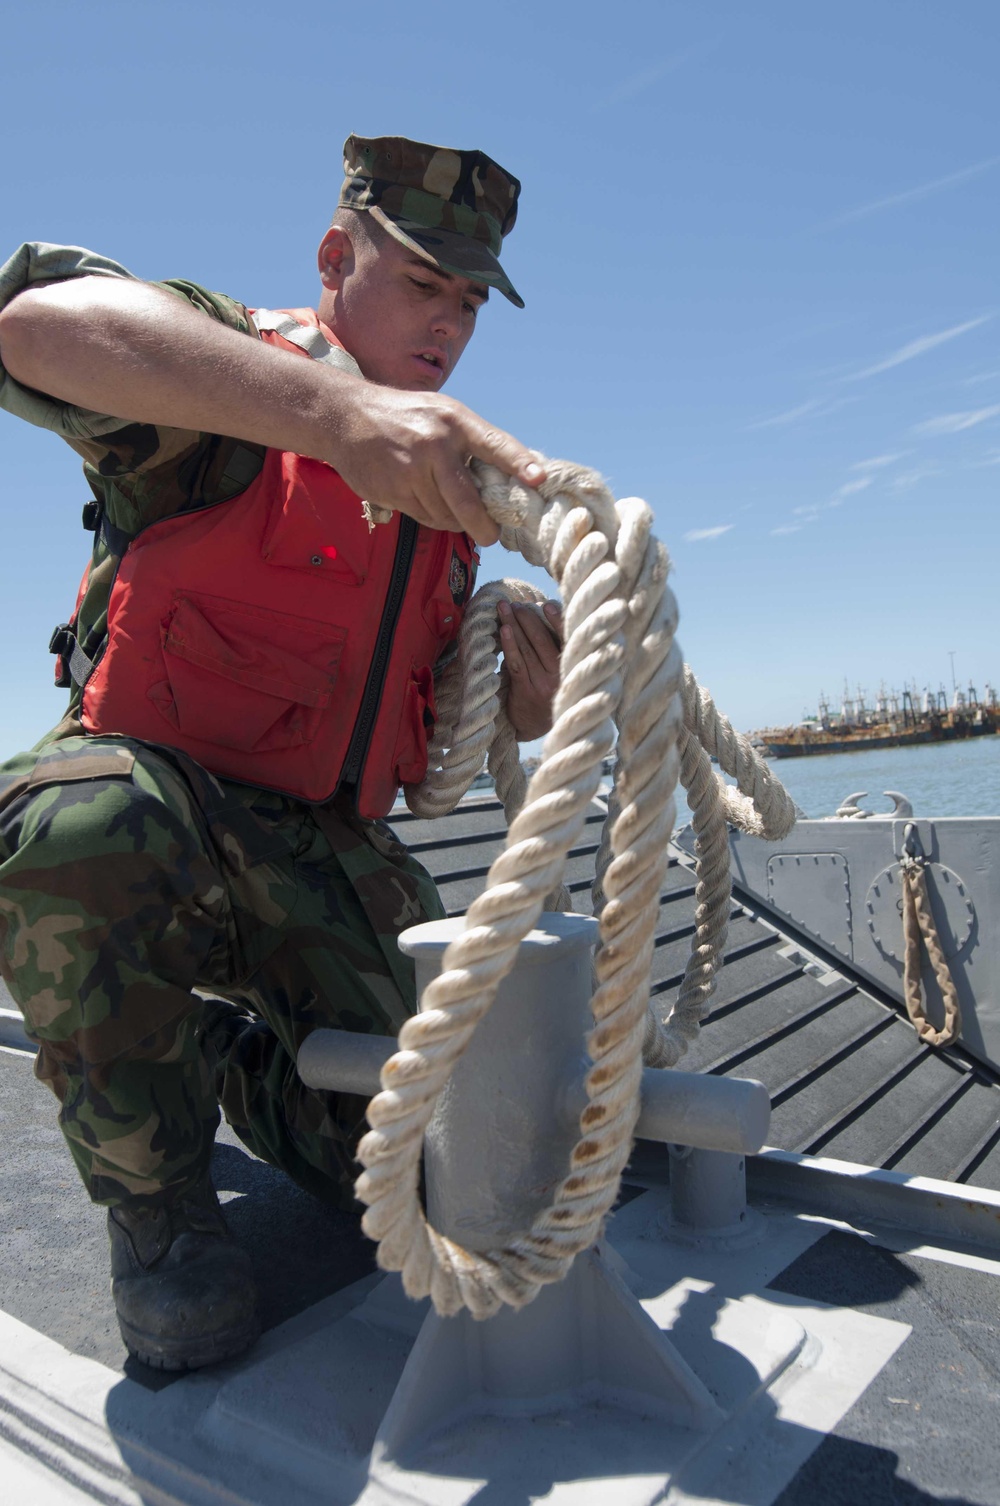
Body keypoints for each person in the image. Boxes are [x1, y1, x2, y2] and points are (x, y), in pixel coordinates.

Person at [0, 135, 563, 1372]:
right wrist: (330, 408)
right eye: (425, 283)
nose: (450, 325)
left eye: (468, 303)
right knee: (81, 828)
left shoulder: (441, 495)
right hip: (157, 812)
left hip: (320, 851)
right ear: (333, 258)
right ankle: (158, 1212)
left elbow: (419, 748)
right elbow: (30, 325)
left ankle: (217, 1061)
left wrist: (523, 693)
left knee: (442, 1181)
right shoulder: (226, 383)